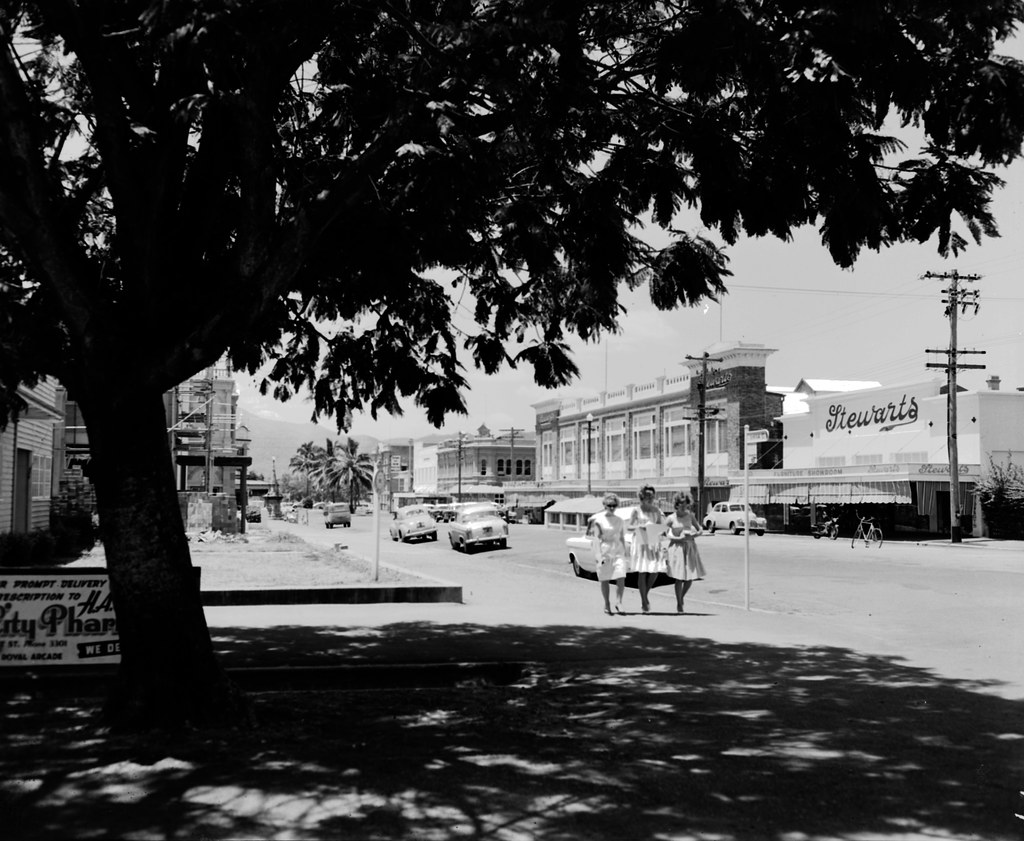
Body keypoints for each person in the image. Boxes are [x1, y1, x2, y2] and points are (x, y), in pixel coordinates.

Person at [627, 484, 667, 614]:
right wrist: (640, 526)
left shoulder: (656, 511)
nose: (650, 499)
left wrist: (661, 530)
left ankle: (645, 595)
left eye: (652, 496)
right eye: (647, 496)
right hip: (641, 542)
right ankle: (644, 601)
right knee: (642, 571)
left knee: (655, 571)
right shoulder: (636, 511)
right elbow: (629, 527)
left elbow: (663, 526)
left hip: (653, 542)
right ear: (642, 497)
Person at [664, 493, 706, 614]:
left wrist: (696, 534)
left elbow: (700, 529)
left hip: (690, 546)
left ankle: (681, 597)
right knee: (679, 577)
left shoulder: (690, 516)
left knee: (690, 576)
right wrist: (676, 538)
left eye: (685, 505)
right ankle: (679, 603)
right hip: (677, 547)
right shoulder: (671, 518)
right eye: (680, 505)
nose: (683, 507)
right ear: (676, 505)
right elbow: (665, 533)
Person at [588, 493, 629, 615]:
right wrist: (598, 555)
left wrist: (625, 553)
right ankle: (607, 603)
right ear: (605, 505)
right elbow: (596, 538)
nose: (612, 507)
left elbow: (622, 536)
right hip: (605, 550)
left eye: (614, 505)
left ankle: (619, 602)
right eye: (609, 505)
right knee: (604, 579)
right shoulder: (599, 521)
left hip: (617, 549)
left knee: (621, 576)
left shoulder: (620, 521)